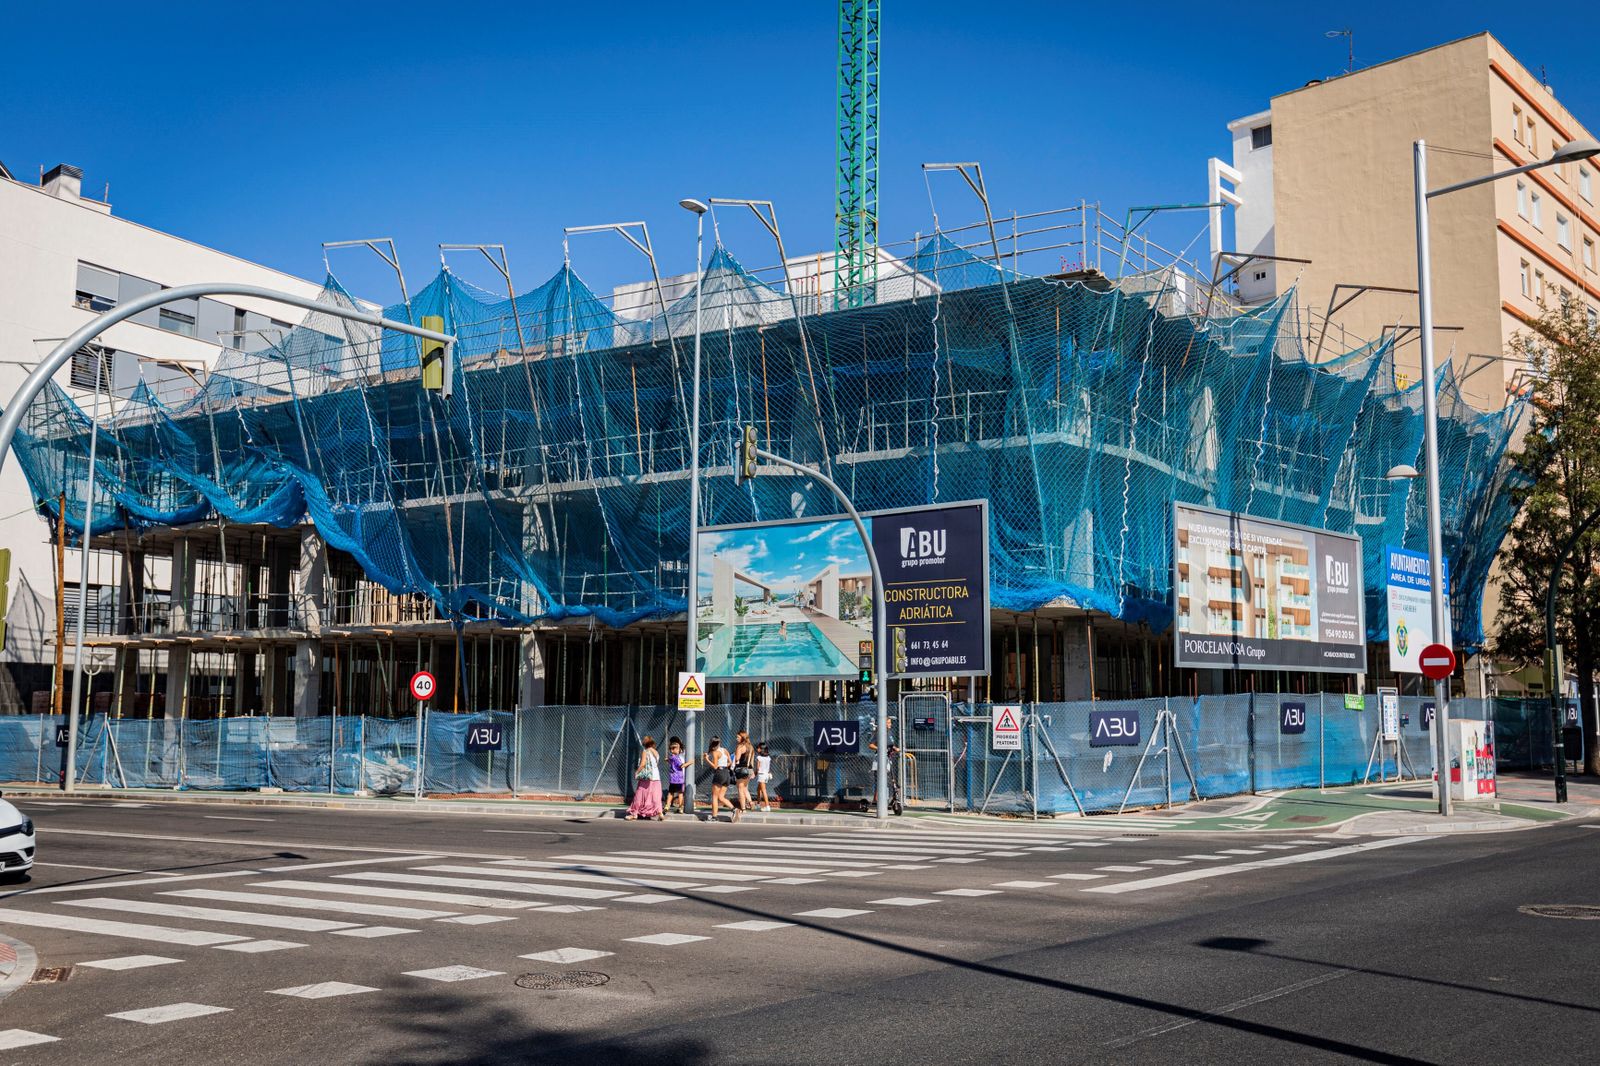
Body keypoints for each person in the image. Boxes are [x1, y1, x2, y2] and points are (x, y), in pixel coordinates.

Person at [624, 735, 664, 821]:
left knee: (639, 795)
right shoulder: (656, 752)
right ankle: (660, 813)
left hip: (647, 777)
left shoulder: (645, 751)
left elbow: (642, 764)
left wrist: (637, 772)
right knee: (655, 797)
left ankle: (634, 814)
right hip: (656, 777)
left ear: (645, 743)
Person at [704, 736, 737, 821]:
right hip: (726, 774)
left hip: (719, 773)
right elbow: (730, 762)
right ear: (719, 743)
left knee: (714, 796)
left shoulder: (715, 752)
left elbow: (715, 766)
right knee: (721, 797)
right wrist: (724, 766)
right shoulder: (724, 750)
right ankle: (734, 809)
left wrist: (707, 759)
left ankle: (714, 817)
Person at [732, 730, 756, 813]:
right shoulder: (751, 747)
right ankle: (751, 802)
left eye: (738, 737)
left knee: (740, 790)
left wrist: (734, 756)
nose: (736, 738)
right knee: (745, 788)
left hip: (741, 769)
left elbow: (737, 759)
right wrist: (752, 771)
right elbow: (752, 761)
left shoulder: (740, 747)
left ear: (742, 737)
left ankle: (743, 808)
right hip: (748, 769)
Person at [664, 736, 687, 815]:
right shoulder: (677, 756)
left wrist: (668, 760)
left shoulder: (674, 756)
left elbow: (671, 761)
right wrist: (691, 762)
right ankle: (680, 808)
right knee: (680, 793)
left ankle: (667, 805)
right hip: (680, 777)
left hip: (673, 778)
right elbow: (681, 765)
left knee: (671, 792)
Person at [754, 741, 773, 812]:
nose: (757, 749)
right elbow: (768, 767)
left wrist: (754, 774)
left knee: (763, 790)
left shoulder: (759, 757)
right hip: (766, 775)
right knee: (758, 789)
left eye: (758, 748)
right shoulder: (768, 758)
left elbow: (758, 768)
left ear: (761, 749)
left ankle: (767, 806)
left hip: (761, 775)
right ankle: (758, 804)